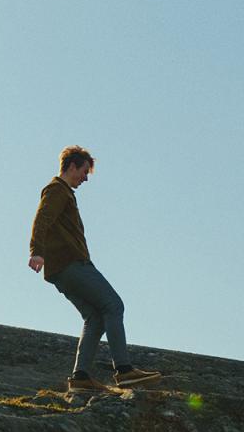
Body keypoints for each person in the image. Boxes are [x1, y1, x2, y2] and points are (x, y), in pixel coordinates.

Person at [28, 145, 160, 391]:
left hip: (61, 270)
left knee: (95, 318)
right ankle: (124, 370)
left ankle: (80, 378)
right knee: (113, 305)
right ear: (72, 166)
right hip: (71, 264)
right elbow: (42, 218)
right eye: (84, 171)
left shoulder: (65, 193)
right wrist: (36, 251)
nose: (86, 178)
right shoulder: (57, 189)